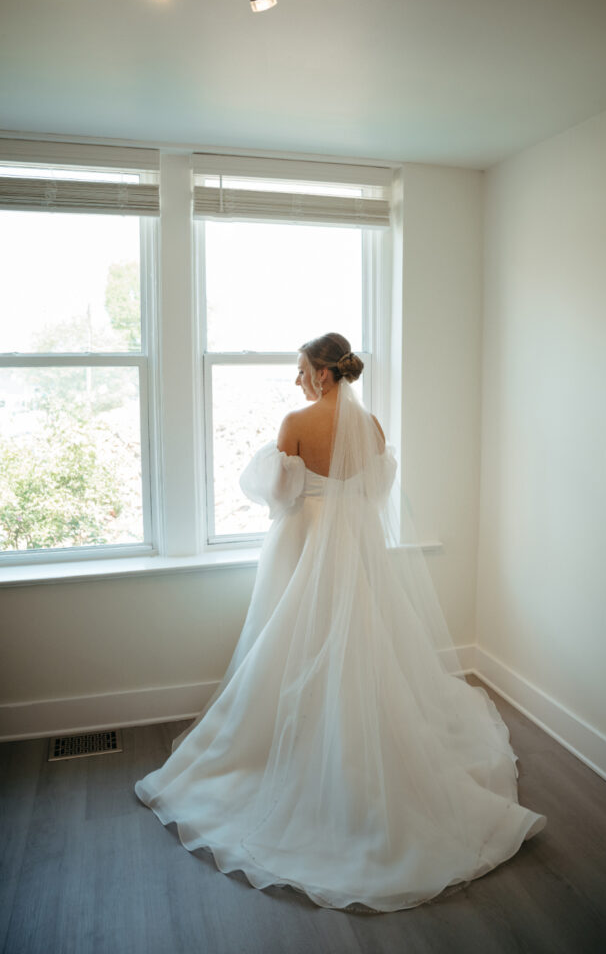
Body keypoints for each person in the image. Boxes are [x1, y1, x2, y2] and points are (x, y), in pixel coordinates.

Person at [134, 332, 546, 913]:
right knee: (362, 639)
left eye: (301, 369)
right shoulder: (372, 426)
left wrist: (301, 490)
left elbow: (278, 494)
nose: (296, 379)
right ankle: (360, 732)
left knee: (292, 640)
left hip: (303, 543)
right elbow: (377, 490)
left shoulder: (296, 422)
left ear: (324, 374)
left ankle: (299, 744)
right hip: (354, 542)